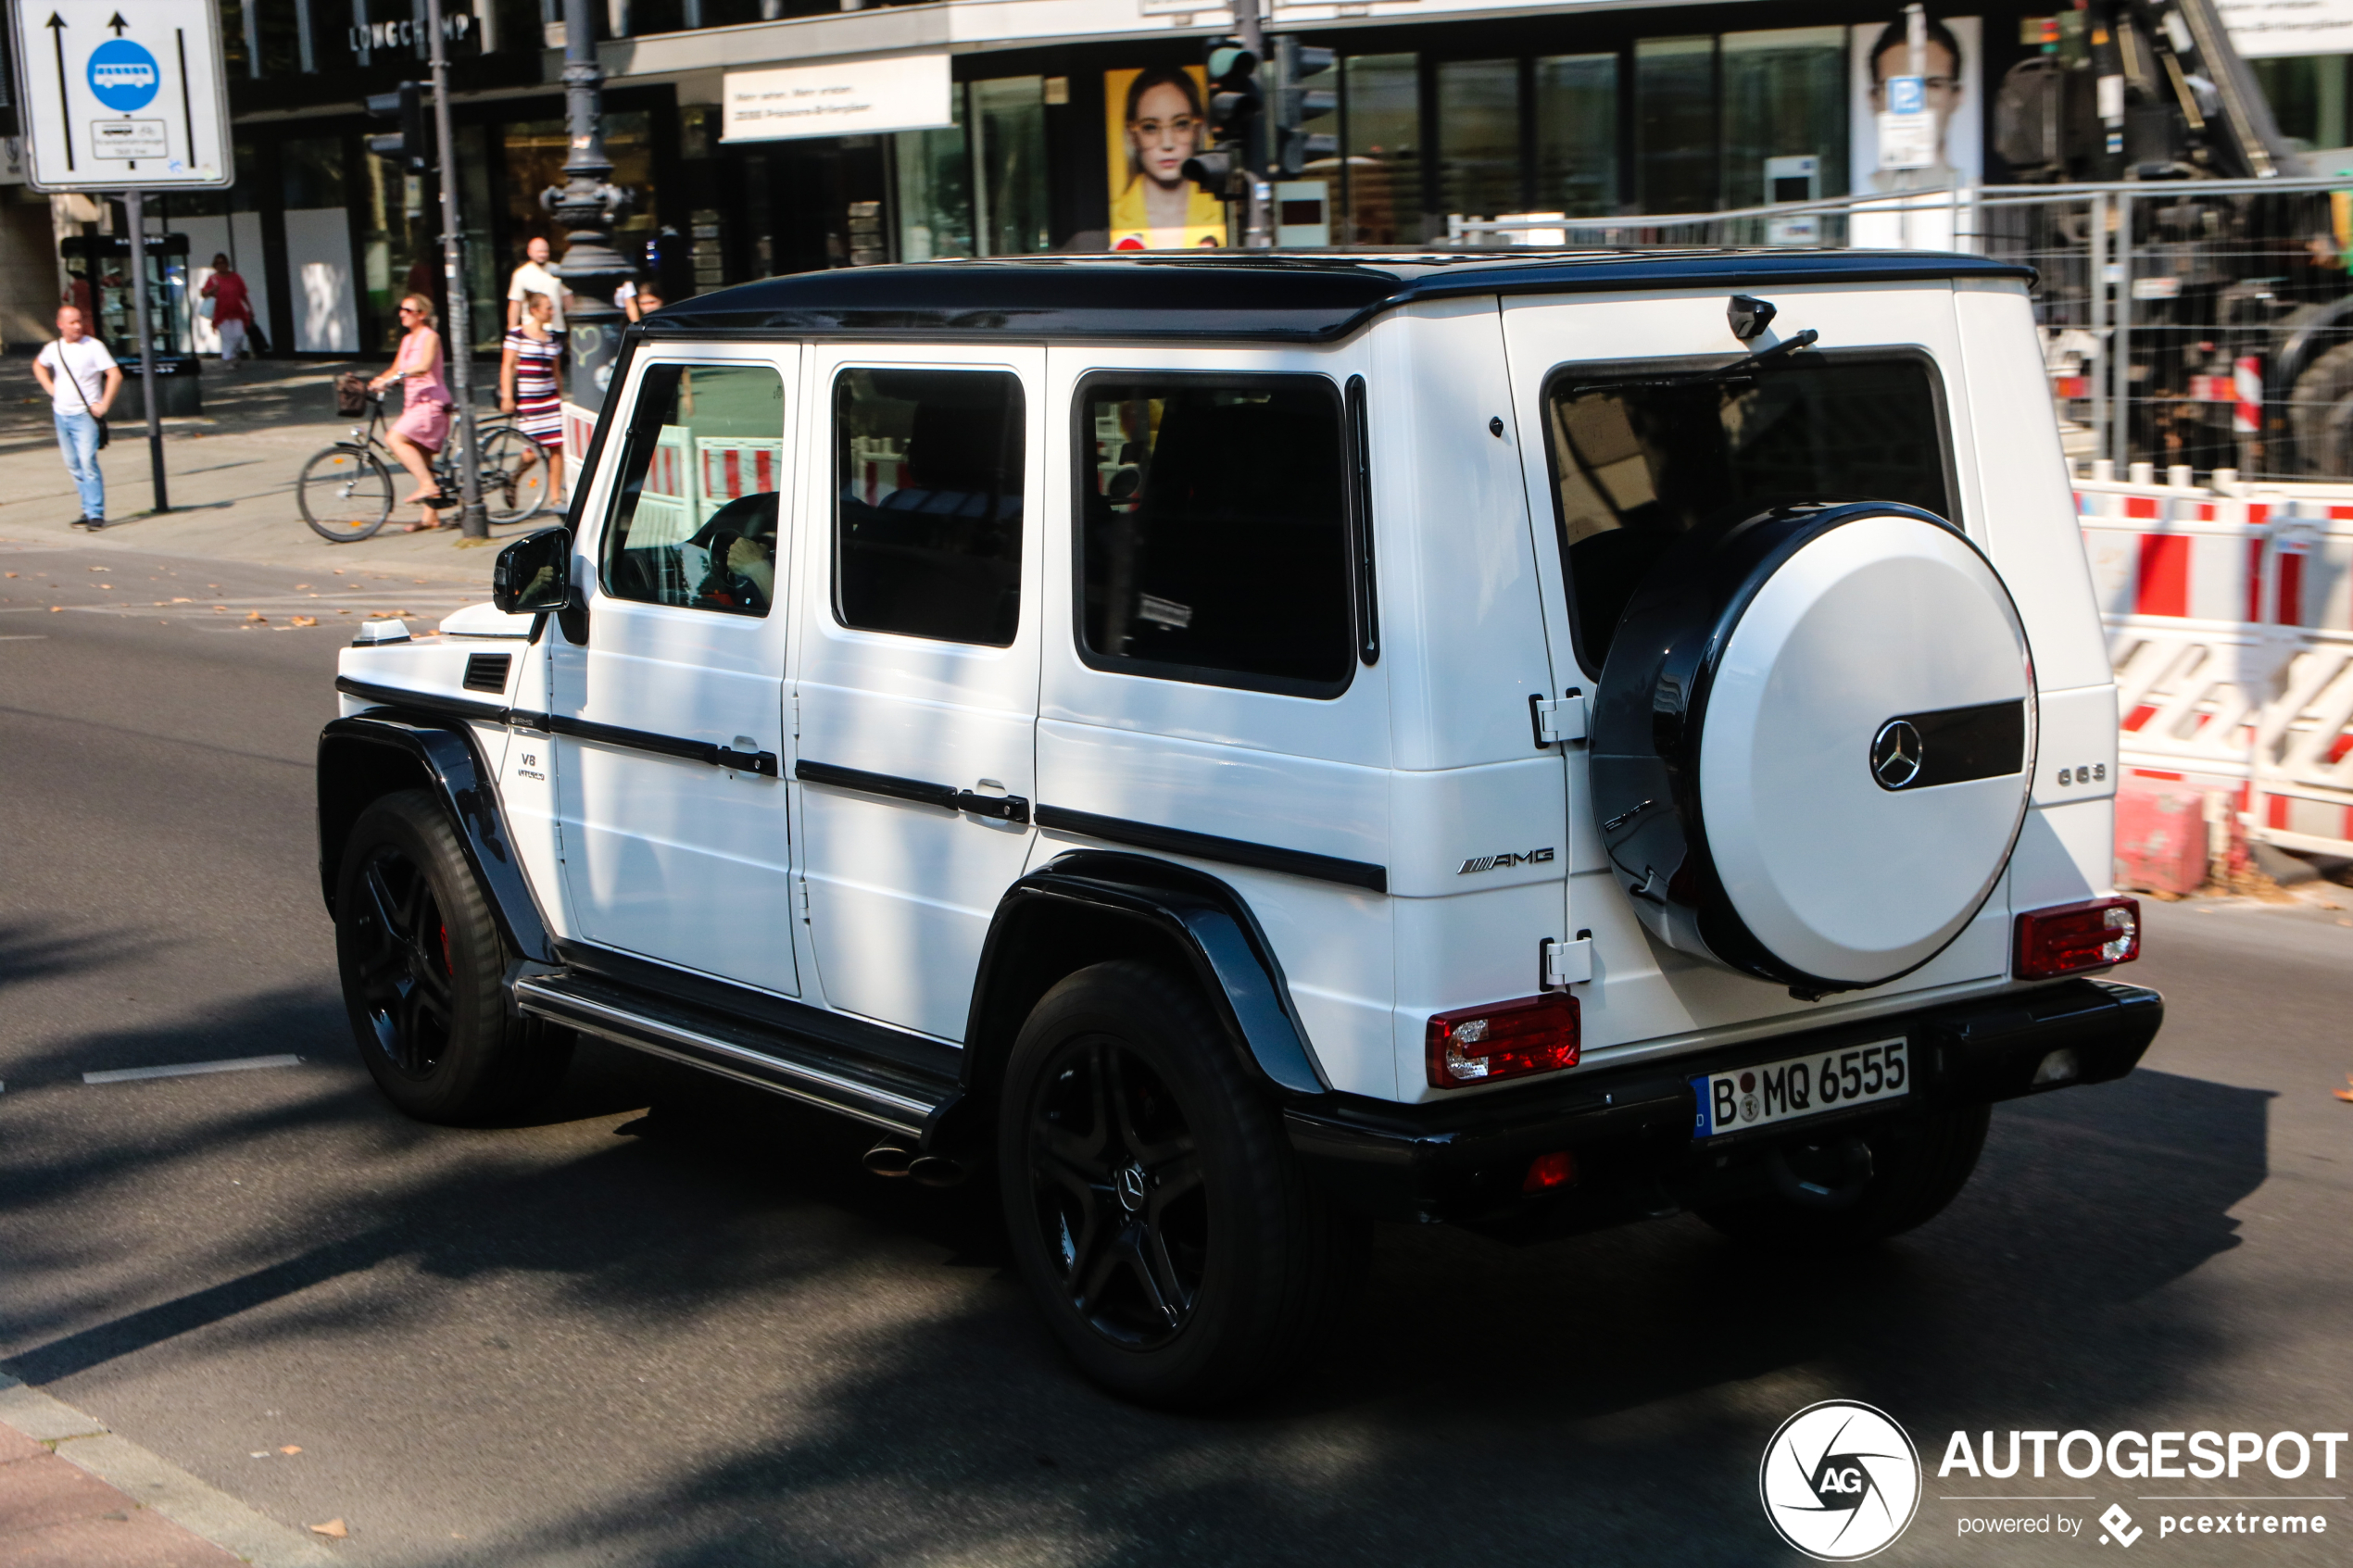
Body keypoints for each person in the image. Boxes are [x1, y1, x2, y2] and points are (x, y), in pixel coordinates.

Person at [1110, 69, 1227, 250]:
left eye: (1181, 124)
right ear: (1132, 135)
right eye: (1150, 127)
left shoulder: (1224, 213)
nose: (1167, 144)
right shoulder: (1111, 217)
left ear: (1198, 129)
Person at [368, 294, 454, 532]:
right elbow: (396, 368)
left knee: (394, 438)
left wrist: (397, 377)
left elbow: (424, 366)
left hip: (431, 403)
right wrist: (377, 381)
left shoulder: (430, 337)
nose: (402, 314)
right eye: (401, 310)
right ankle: (430, 517)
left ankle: (427, 485)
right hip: (414, 403)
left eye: (408, 310)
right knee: (424, 458)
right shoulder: (407, 340)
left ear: (422, 315)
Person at [32, 304, 120, 529]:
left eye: (80, 321)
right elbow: (39, 366)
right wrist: (52, 390)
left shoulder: (93, 347)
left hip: (84, 415)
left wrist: (104, 405)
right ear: (60, 324)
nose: (78, 326)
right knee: (73, 464)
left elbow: (114, 375)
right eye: (72, 322)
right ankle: (86, 508)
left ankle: (96, 514)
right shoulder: (54, 348)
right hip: (61, 413)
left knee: (87, 462)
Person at [1866, 16, 1967, 194]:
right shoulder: (1845, 206)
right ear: (1873, 100)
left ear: (1957, 97)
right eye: (1898, 88)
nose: (1915, 101)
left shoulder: (1983, 199)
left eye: (1933, 85)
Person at [499, 290, 565, 508]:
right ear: (535, 310)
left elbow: (556, 370)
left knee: (557, 447)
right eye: (548, 308)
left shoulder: (553, 337)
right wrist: (508, 396)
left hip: (550, 399)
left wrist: (560, 396)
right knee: (532, 451)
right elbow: (508, 366)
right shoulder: (517, 335)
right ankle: (514, 477)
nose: (552, 312)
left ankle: (555, 496)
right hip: (529, 400)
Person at [200, 255, 255, 369]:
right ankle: (230, 359)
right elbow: (204, 294)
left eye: (223, 263)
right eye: (218, 264)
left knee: (239, 335)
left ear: (227, 264)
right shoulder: (213, 279)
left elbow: (243, 294)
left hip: (237, 312)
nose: (221, 266)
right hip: (221, 313)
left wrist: (250, 308)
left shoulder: (236, 277)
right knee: (227, 338)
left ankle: (233, 355)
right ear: (215, 266)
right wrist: (212, 290)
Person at [507, 236, 569, 333]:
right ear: (529, 252)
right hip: (532, 332)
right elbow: (515, 304)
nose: (542, 255)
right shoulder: (521, 274)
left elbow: (567, 298)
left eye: (545, 251)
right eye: (539, 252)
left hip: (557, 328)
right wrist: (512, 331)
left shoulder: (558, 270)